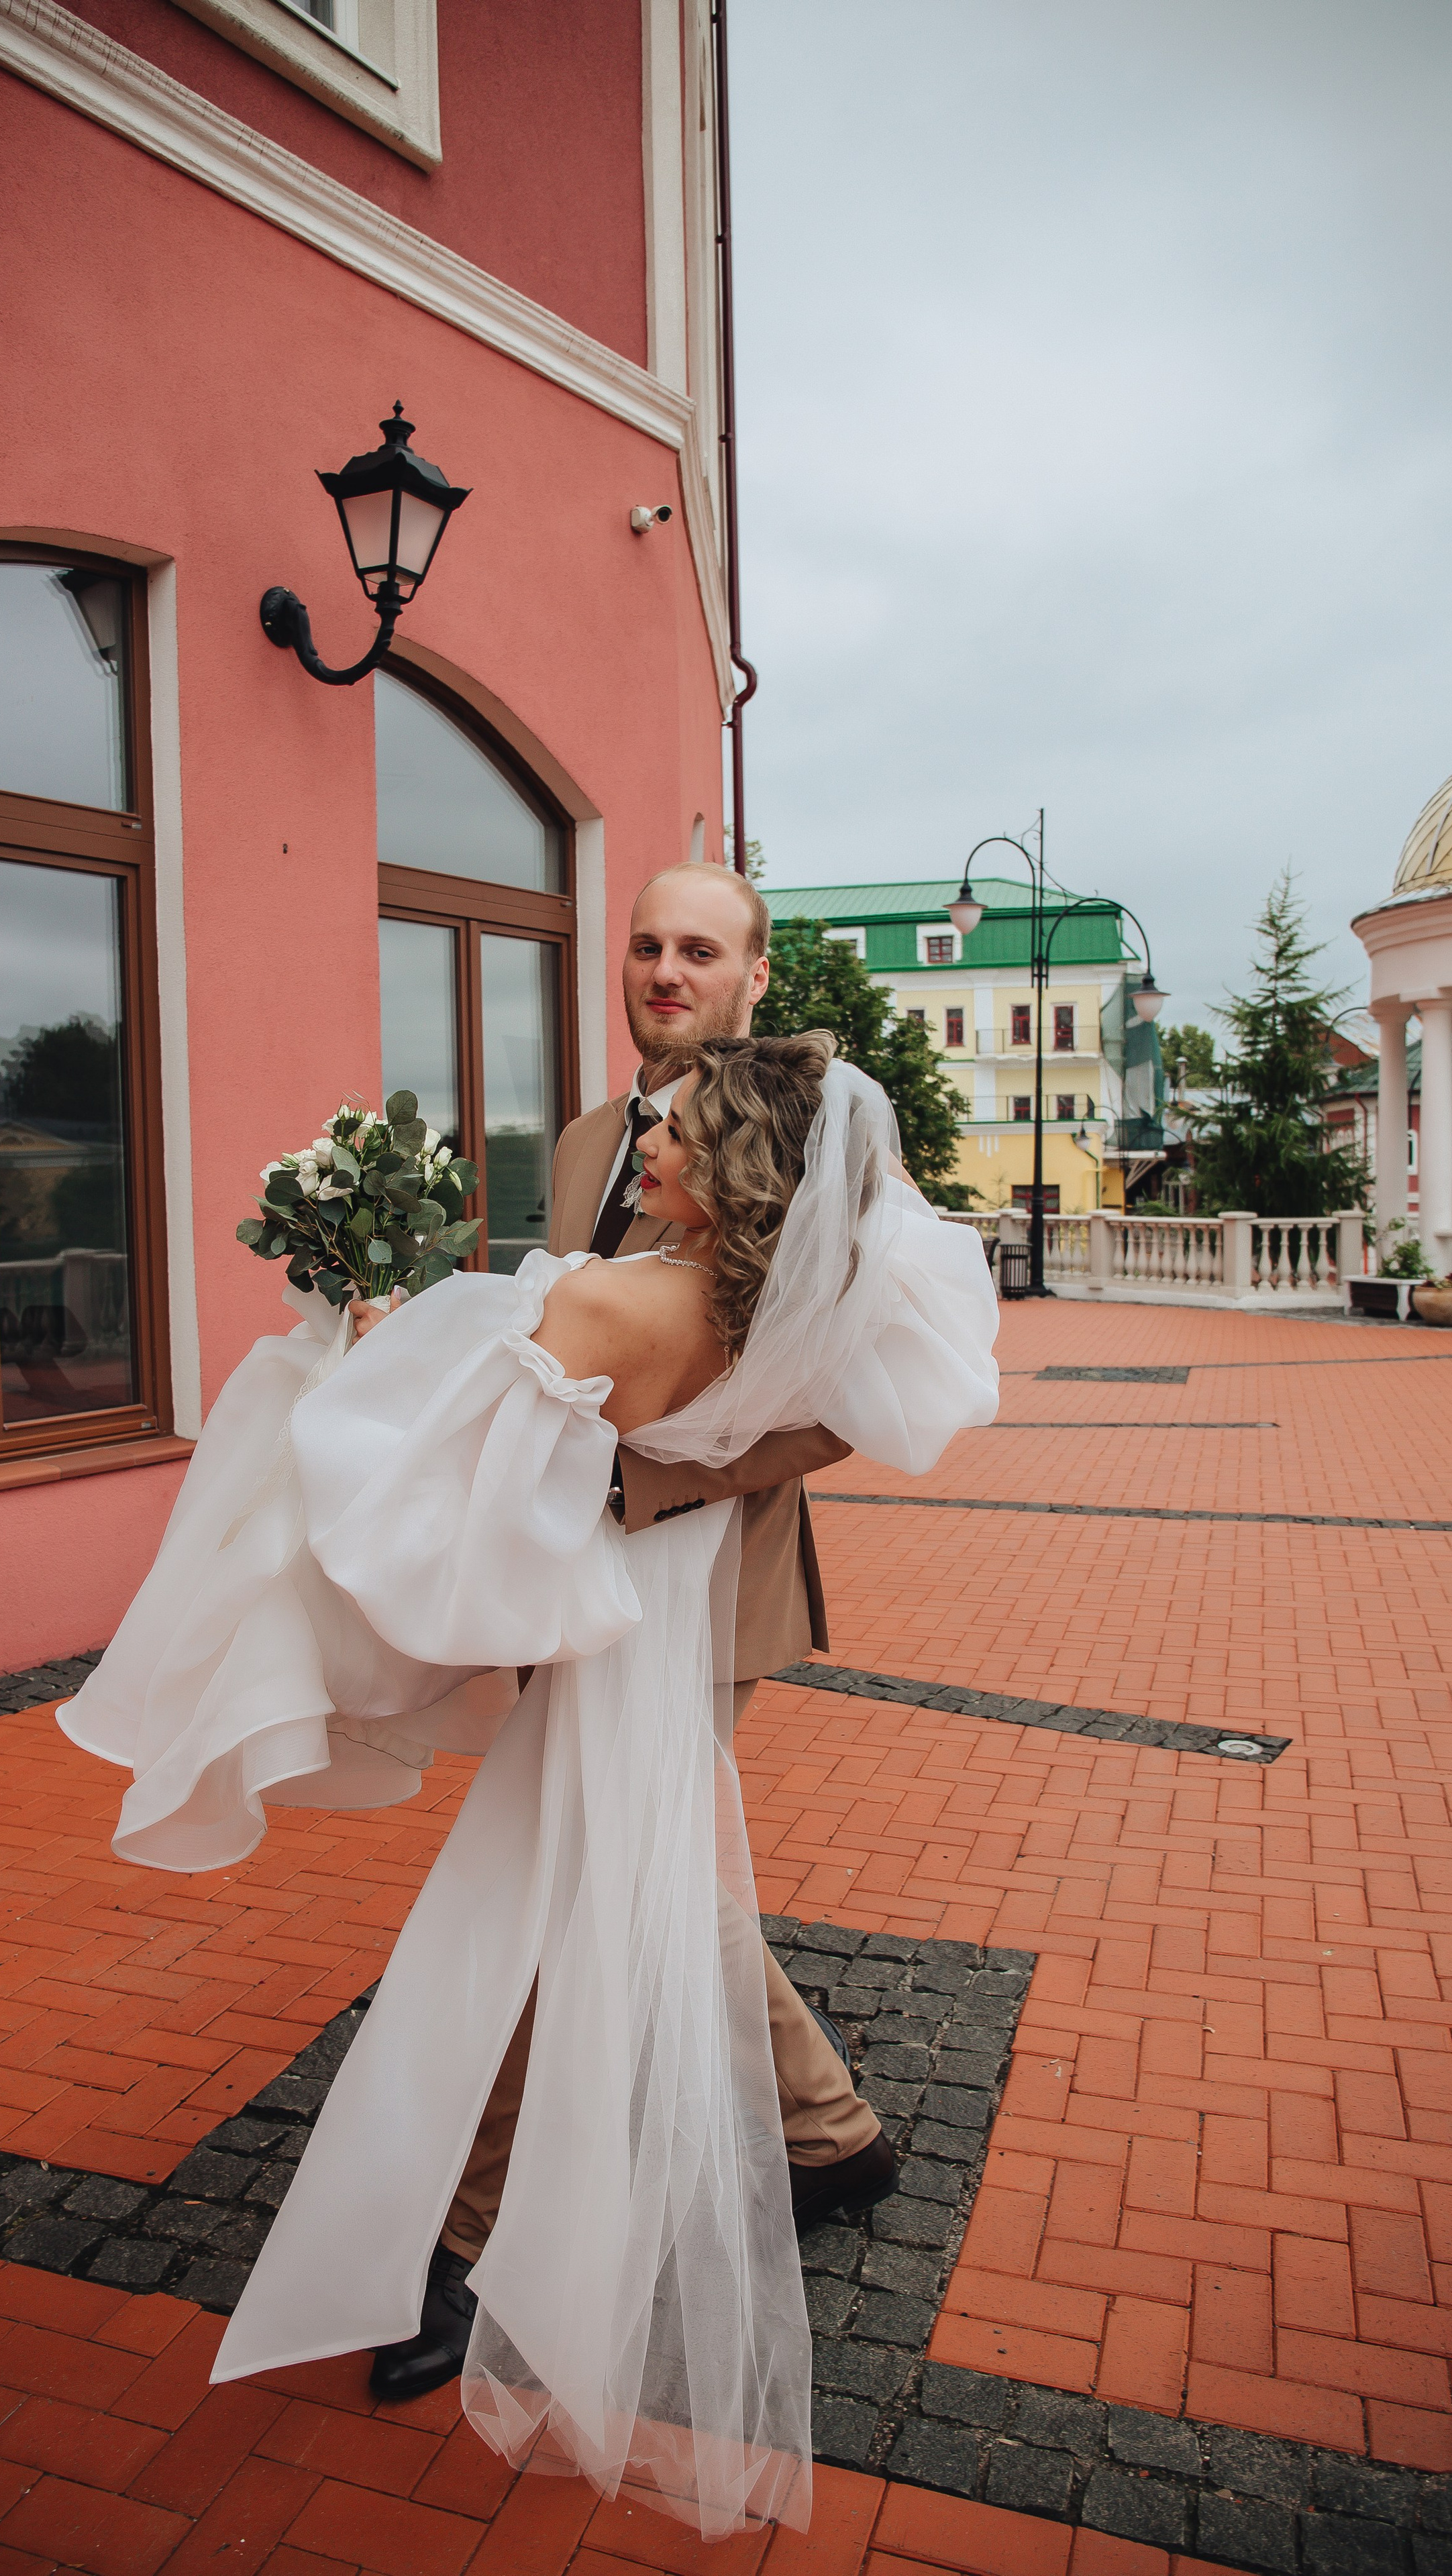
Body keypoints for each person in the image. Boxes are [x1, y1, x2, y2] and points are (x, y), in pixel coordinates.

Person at [60, 1030, 999, 2539]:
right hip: (652, 1617)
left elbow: (435, 1496)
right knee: (611, 1891)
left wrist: (362, 1358)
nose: (657, 1140)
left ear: (734, 1161)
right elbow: (855, 1392)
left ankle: (476, 2234)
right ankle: (793, 2143)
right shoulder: (802, 1298)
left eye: (682, 1130)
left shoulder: (603, 1296)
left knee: (539, 1911)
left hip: (610, 1627)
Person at [382, 866, 890, 2411]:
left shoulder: (817, 1123)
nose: (666, 968)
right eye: (648, 943)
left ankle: (470, 2240)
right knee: (650, 1867)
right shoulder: (596, 1140)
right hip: (571, 1575)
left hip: (699, 1591)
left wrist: (633, 1478)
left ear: (751, 974)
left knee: (576, 1885)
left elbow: (846, 1398)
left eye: (700, 949)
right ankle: (825, 2132)